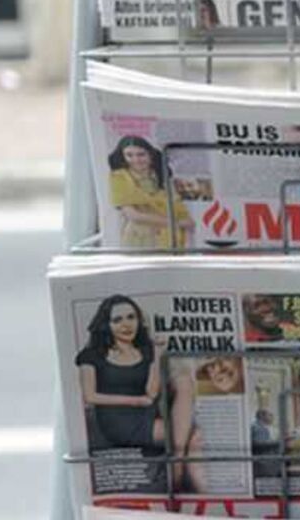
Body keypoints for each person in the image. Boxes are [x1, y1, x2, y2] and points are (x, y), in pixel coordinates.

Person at [75, 295, 206, 492]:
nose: (126, 324)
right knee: (189, 436)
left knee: (186, 392)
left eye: (131, 317)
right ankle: (178, 475)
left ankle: (182, 476)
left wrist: (156, 355)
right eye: (117, 320)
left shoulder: (145, 350)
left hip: (147, 412)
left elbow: (151, 392)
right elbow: (90, 396)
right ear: (106, 324)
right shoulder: (92, 355)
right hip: (117, 420)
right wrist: (134, 401)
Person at [108, 136, 194, 248]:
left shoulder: (161, 176)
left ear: (151, 155)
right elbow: (134, 215)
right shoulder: (119, 177)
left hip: (170, 238)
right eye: (129, 155)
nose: (136, 160)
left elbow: (180, 210)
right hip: (139, 237)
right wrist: (176, 224)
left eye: (141, 154)